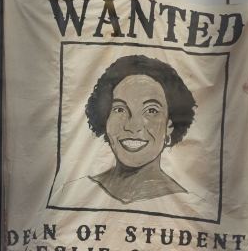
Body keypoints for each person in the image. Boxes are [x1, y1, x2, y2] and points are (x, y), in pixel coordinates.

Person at [84, 54, 196, 204]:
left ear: (170, 125)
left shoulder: (188, 204)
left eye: (151, 111)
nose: (132, 126)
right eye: (119, 109)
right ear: (105, 118)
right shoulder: (80, 190)